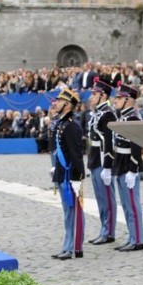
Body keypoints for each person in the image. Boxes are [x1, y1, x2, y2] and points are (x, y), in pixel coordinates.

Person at [51, 88, 86, 260]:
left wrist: (78, 177)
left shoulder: (72, 126)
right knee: (67, 213)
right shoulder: (62, 123)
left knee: (74, 213)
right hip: (62, 174)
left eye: (58, 101)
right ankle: (67, 245)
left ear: (67, 105)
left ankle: (74, 247)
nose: (55, 103)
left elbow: (76, 154)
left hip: (70, 176)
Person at [112, 84, 143, 252]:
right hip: (120, 162)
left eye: (118, 98)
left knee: (133, 204)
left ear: (127, 100)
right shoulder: (123, 117)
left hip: (128, 165)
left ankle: (138, 239)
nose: (115, 100)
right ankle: (131, 236)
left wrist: (133, 170)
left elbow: (136, 146)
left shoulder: (133, 118)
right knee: (126, 204)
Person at [87, 79, 118, 245]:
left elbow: (109, 141)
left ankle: (109, 232)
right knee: (100, 198)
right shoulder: (97, 112)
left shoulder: (108, 113)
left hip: (102, 160)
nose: (91, 97)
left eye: (95, 94)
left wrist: (107, 166)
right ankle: (103, 229)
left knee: (107, 198)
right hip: (94, 158)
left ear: (103, 95)